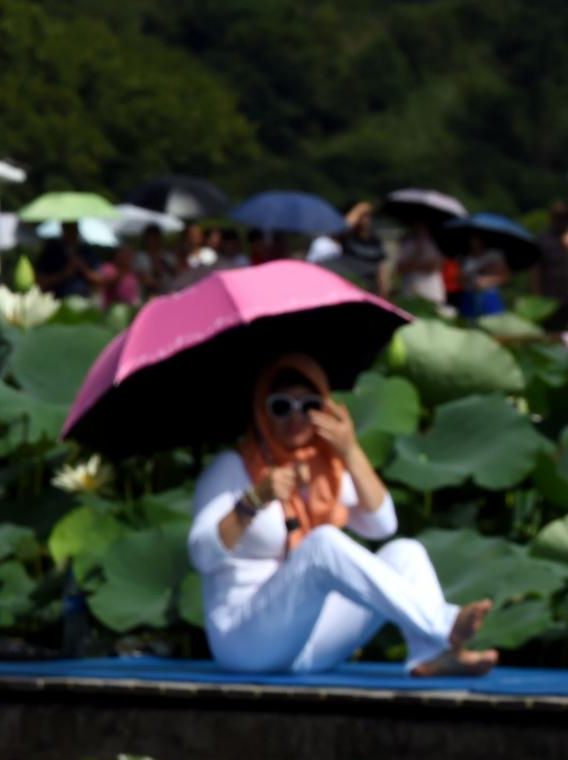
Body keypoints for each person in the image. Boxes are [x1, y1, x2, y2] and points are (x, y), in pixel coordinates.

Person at [187, 354, 494, 678]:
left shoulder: (326, 470)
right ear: (262, 412)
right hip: (246, 642)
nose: (296, 417)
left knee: (406, 553)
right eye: (281, 406)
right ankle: (442, 623)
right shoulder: (232, 468)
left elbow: (382, 525)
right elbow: (201, 555)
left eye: (309, 406)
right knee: (323, 543)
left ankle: (432, 654)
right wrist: (253, 501)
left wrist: (350, 451)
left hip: (310, 643)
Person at [538, 202, 568, 301]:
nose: (560, 221)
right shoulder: (542, 240)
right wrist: (536, 295)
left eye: (563, 217)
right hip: (549, 296)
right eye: (558, 217)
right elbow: (536, 270)